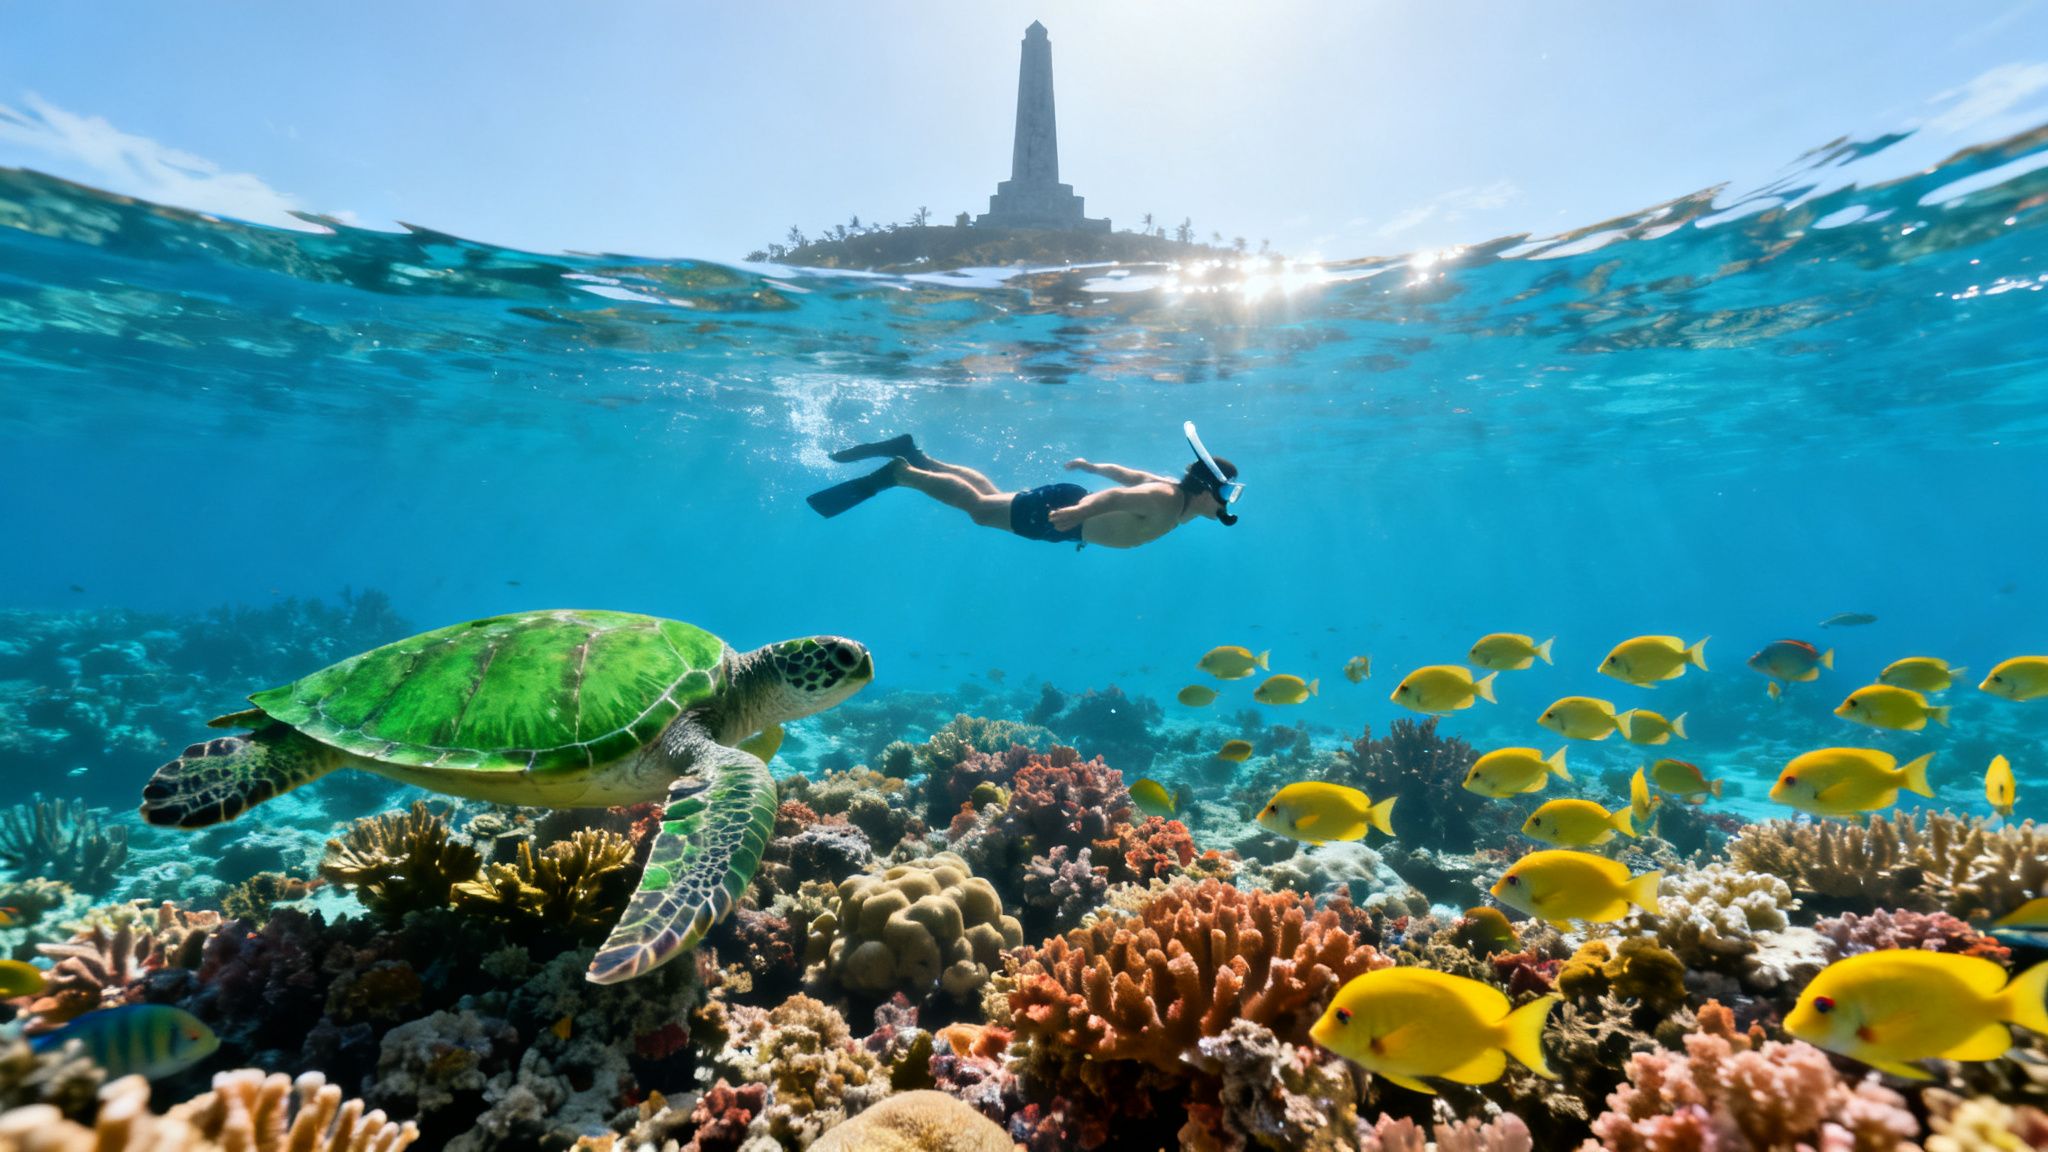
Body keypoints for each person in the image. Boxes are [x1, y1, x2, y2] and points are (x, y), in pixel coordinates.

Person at [806, 423, 1243, 550]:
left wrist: (1092, 464)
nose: (1225, 503)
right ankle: (901, 473)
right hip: (1067, 517)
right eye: (1225, 493)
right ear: (1207, 489)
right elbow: (1117, 496)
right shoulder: (1167, 498)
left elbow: (1122, 475)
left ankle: (919, 458)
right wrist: (1079, 513)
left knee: (989, 495)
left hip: (1069, 517)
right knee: (979, 509)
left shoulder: (1173, 494)